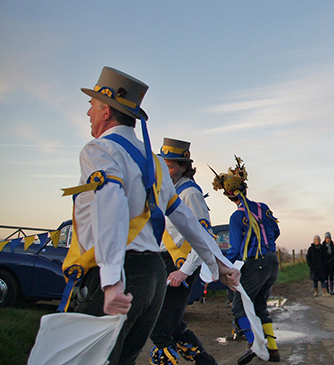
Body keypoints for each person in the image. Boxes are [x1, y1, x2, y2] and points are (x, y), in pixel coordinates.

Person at [67, 66, 239, 365]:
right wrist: (219, 263)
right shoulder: (156, 163)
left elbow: (110, 208)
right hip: (153, 275)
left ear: (106, 110)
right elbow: (184, 217)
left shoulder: (99, 150)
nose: (88, 113)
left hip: (121, 272)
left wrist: (111, 283)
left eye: (92, 106)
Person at [148, 138, 218, 365]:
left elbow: (203, 236)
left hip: (180, 265)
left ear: (183, 167)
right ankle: (206, 362)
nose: (166, 171)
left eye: (170, 166)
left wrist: (185, 271)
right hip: (163, 261)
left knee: (159, 328)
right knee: (172, 323)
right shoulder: (167, 192)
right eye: (163, 165)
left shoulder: (189, 194)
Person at [210, 157, 281, 364]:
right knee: (260, 305)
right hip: (272, 261)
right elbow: (276, 231)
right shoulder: (263, 207)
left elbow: (234, 249)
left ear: (230, 195)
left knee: (239, 307)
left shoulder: (236, 217)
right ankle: (273, 350)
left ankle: (254, 345)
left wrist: (228, 267)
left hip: (254, 264)